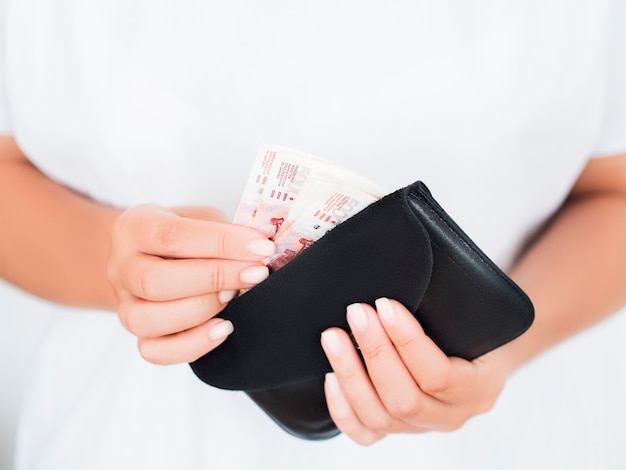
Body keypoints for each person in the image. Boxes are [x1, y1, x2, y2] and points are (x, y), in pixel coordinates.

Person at [1, 0, 625, 468]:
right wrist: (127, 270)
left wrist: (502, 353)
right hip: (132, 435)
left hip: (512, 438)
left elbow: (616, 195)